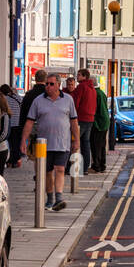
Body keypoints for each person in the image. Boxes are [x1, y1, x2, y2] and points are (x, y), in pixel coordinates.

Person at [21, 73, 79, 211]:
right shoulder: (38, 101)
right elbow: (29, 122)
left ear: (58, 85)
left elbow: (74, 121)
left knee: (60, 169)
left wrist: (76, 140)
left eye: (51, 84)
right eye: (47, 83)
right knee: (47, 172)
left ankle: (59, 198)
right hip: (43, 144)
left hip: (62, 142)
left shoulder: (68, 100)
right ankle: (50, 199)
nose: (48, 86)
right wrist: (24, 140)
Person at [14, 70, 46, 167]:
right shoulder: (48, 94)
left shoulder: (29, 95)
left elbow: (23, 113)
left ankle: (39, 172)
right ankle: (43, 172)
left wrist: (22, 132)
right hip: (46, 126)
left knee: (35, 153)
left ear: (35, 79)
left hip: (31, 127)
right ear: (45, 79)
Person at [71, 68, 98, 173]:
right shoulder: (92, 89)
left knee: (75, 142)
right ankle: (85, 168)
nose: (77, 76)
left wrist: (73, 116)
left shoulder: (81, 87)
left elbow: (76, 102)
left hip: (81, 118)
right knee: (85, 143)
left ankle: (74, 168)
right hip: (90, 119)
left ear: (84, 77)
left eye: (79, 75)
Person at [0, 84, 23, 169]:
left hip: (10, 123)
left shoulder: (4, 99)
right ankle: (16, 160)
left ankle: (9, 161)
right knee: (16, 143)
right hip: (18, 123)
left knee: (9, 143)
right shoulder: (18, 98)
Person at [91, 80, 110, 173]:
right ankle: (102, 164)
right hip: (105, 122)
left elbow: (96, 110)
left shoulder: (95, 93)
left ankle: (97, 165)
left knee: (96, 145)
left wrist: (96, 124)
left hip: (99, 123)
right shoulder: (101, 92)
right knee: (102, 145)